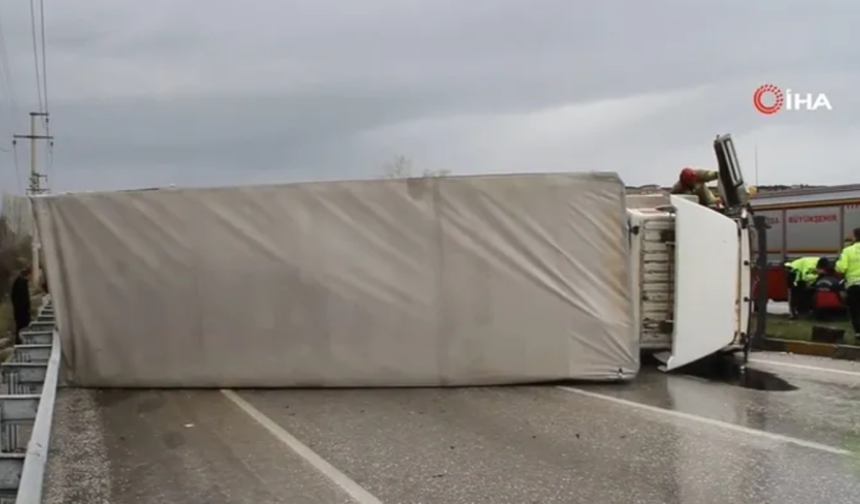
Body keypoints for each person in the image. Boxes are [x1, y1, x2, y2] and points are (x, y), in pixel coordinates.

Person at [835, 227, 860, 338]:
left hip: (854, 286)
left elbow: (841, 268)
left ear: (854, 236)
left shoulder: (848, 251)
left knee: (855, 310)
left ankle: (858, 333)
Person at [10, 266, 32, 344]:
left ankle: (19, 342)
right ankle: (21, 342)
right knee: (22, 327)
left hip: (18, 310)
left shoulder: (19, 281)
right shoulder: (22, 283)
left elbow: (13, 296)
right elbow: (23, 298)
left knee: (19, 327)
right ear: (29, 275)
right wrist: (26, 309)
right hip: (22, 311)